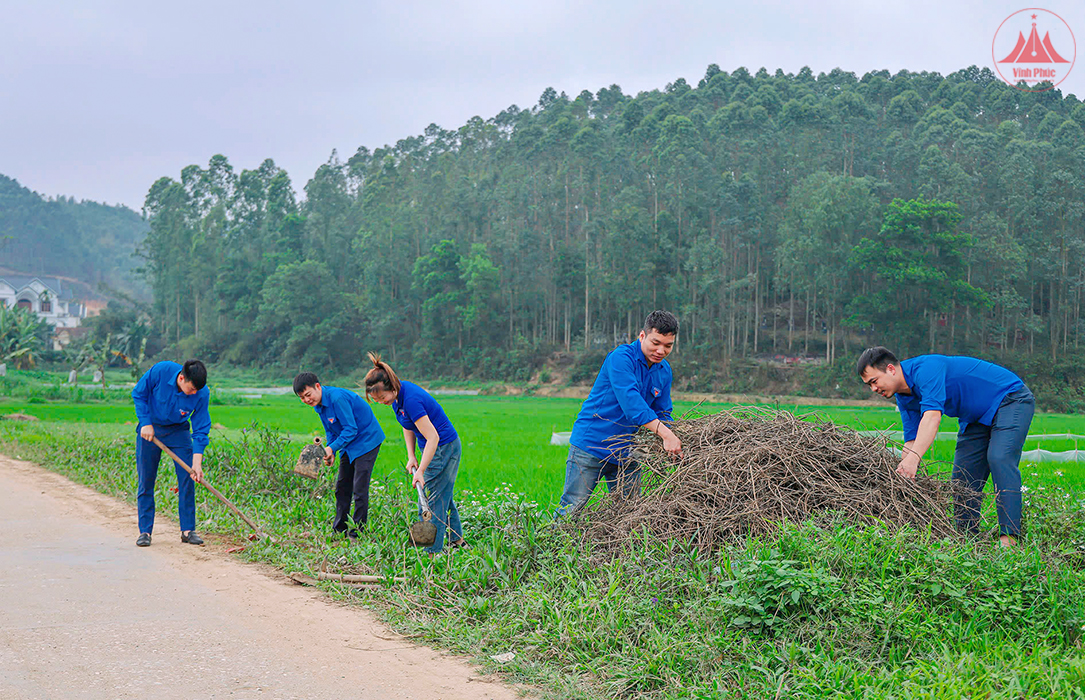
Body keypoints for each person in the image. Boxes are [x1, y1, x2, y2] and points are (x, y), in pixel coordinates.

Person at [856, 347, 1033, 547]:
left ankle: (1008, 539)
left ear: (891, 369)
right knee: (962, 476)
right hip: (974, 418)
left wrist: (914, 460)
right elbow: (911, 441)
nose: (873, 389)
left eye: (874, 381)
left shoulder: (927, 369)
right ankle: (966, 540)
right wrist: (902, 473)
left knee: (999, 458)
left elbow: (932, 416)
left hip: (1010, 399)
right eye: (869, 385)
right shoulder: (904, 397)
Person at [556, 310, 683, 517]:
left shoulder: (664, 370)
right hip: (591, 446)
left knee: (629, 516)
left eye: (668, 346)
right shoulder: (621, 358)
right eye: (656, 342)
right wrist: (666, 435)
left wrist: (673, 437)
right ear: (642, 336)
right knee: (571, 508)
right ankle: (554, 548)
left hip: (627, 452)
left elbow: (663, 412)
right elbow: (632, 404)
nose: (661, 350)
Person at [363, 353, 464, 553]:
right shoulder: (397, 398)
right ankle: (457, 541)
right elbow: (407, 425)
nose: (381, 402)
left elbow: (433, 437)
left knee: (430, 501)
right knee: (442, 495)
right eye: (376, 400)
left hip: (443, 448)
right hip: (431, 447)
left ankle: (430, 553)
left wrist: (421, 470)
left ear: (391, 387)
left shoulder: (411, 399)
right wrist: (411, 456)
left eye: (382, 397)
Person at [293, 372, 385, 538]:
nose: (307, 400)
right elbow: (331, 430)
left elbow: (351, 428)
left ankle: (357, 534)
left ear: (318, 387)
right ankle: (339, 530)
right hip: (349, 443)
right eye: (302, 398)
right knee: (342, 487)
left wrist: (332, 448)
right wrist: (331, 450)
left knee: (359, 489)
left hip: (366, 440)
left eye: (308, 394)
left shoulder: (336, 398)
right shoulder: (319, 406)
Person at [131, 359, 211, 547]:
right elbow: (139, 393)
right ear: (181, 378)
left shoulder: (201, 393)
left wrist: (196, 463)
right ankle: (145, 531)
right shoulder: (161, 370)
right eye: (191, 389)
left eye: (196, 391)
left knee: (188, 478)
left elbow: (200, 429)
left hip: (178, 432)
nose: (194, 393)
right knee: (146, 480)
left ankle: (188, 530)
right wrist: (145, 423)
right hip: (151, 430)